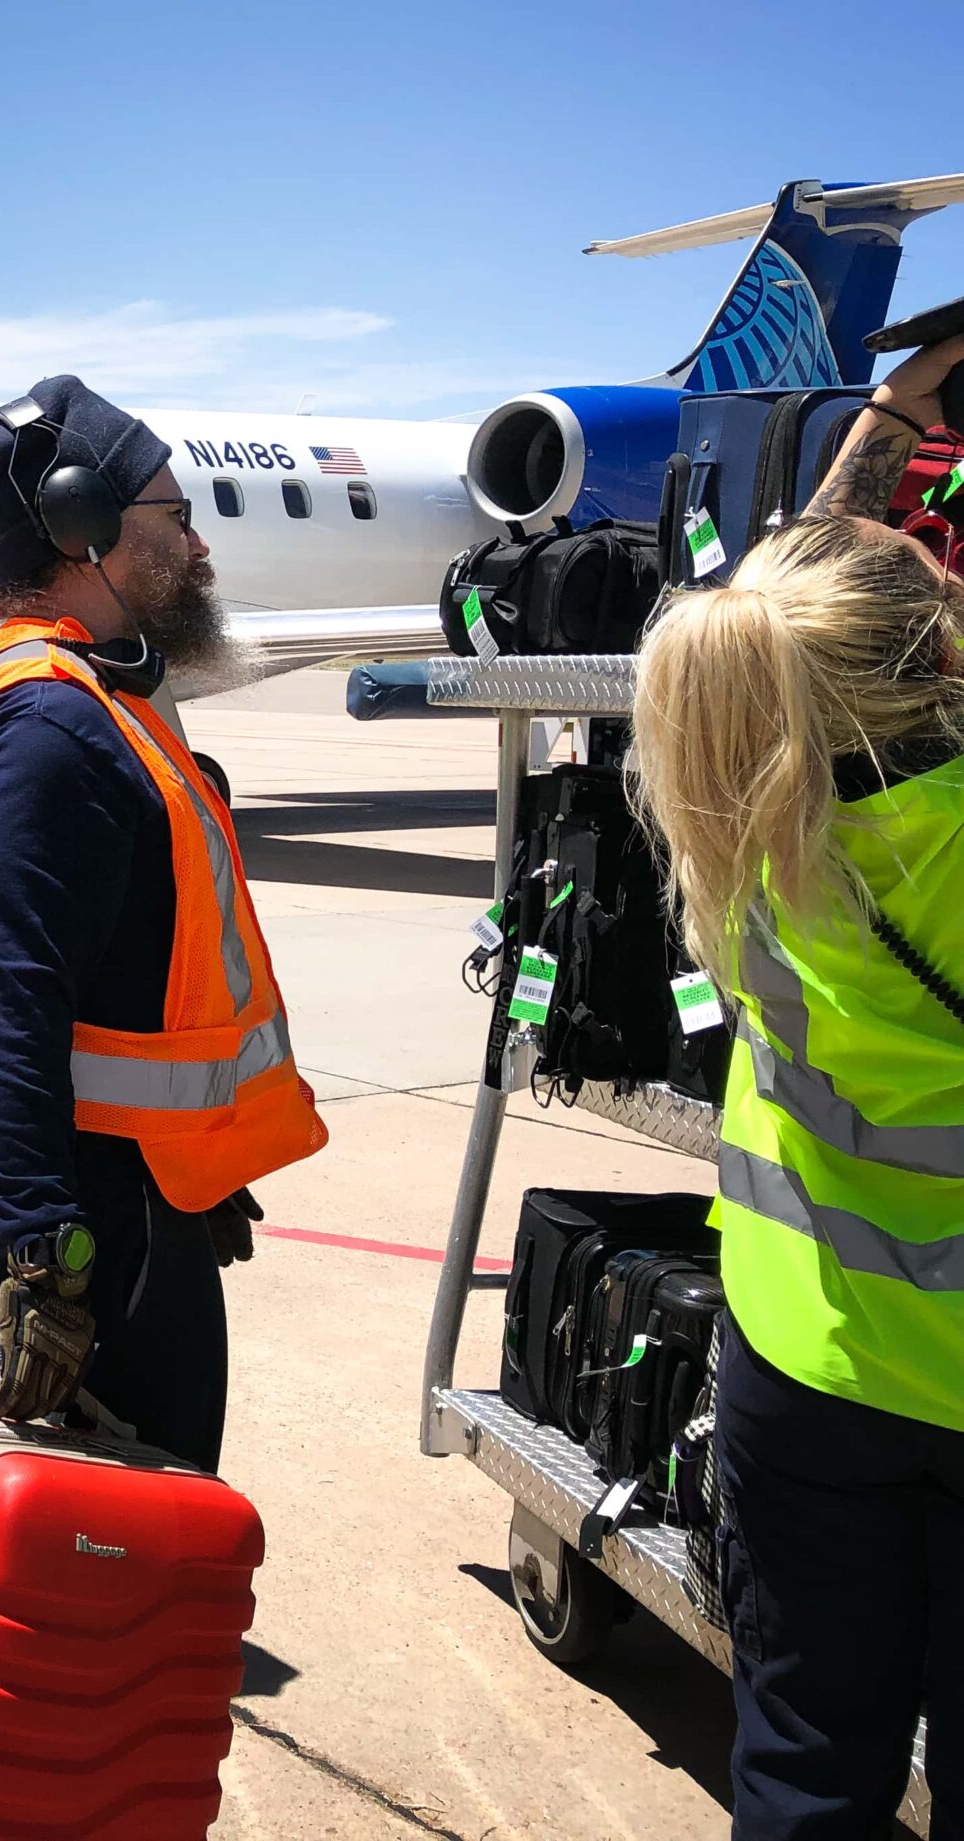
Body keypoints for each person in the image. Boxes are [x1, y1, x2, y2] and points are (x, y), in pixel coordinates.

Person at [628, 333, 964, 1841]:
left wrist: (887, 419)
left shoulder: (747, 819)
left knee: (807, 1764)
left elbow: (789, 612)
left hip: (805, 1367)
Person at [0, 375, 326, 1465]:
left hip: (108, 1178)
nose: (199, 546)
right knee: (118, 1519)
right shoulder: (46, 726)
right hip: (59, 1205)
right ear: (84, 527)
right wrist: (44, 1256)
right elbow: (9, 1005)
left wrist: (193, 1165)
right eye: (175, 516)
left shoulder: (89, 696)